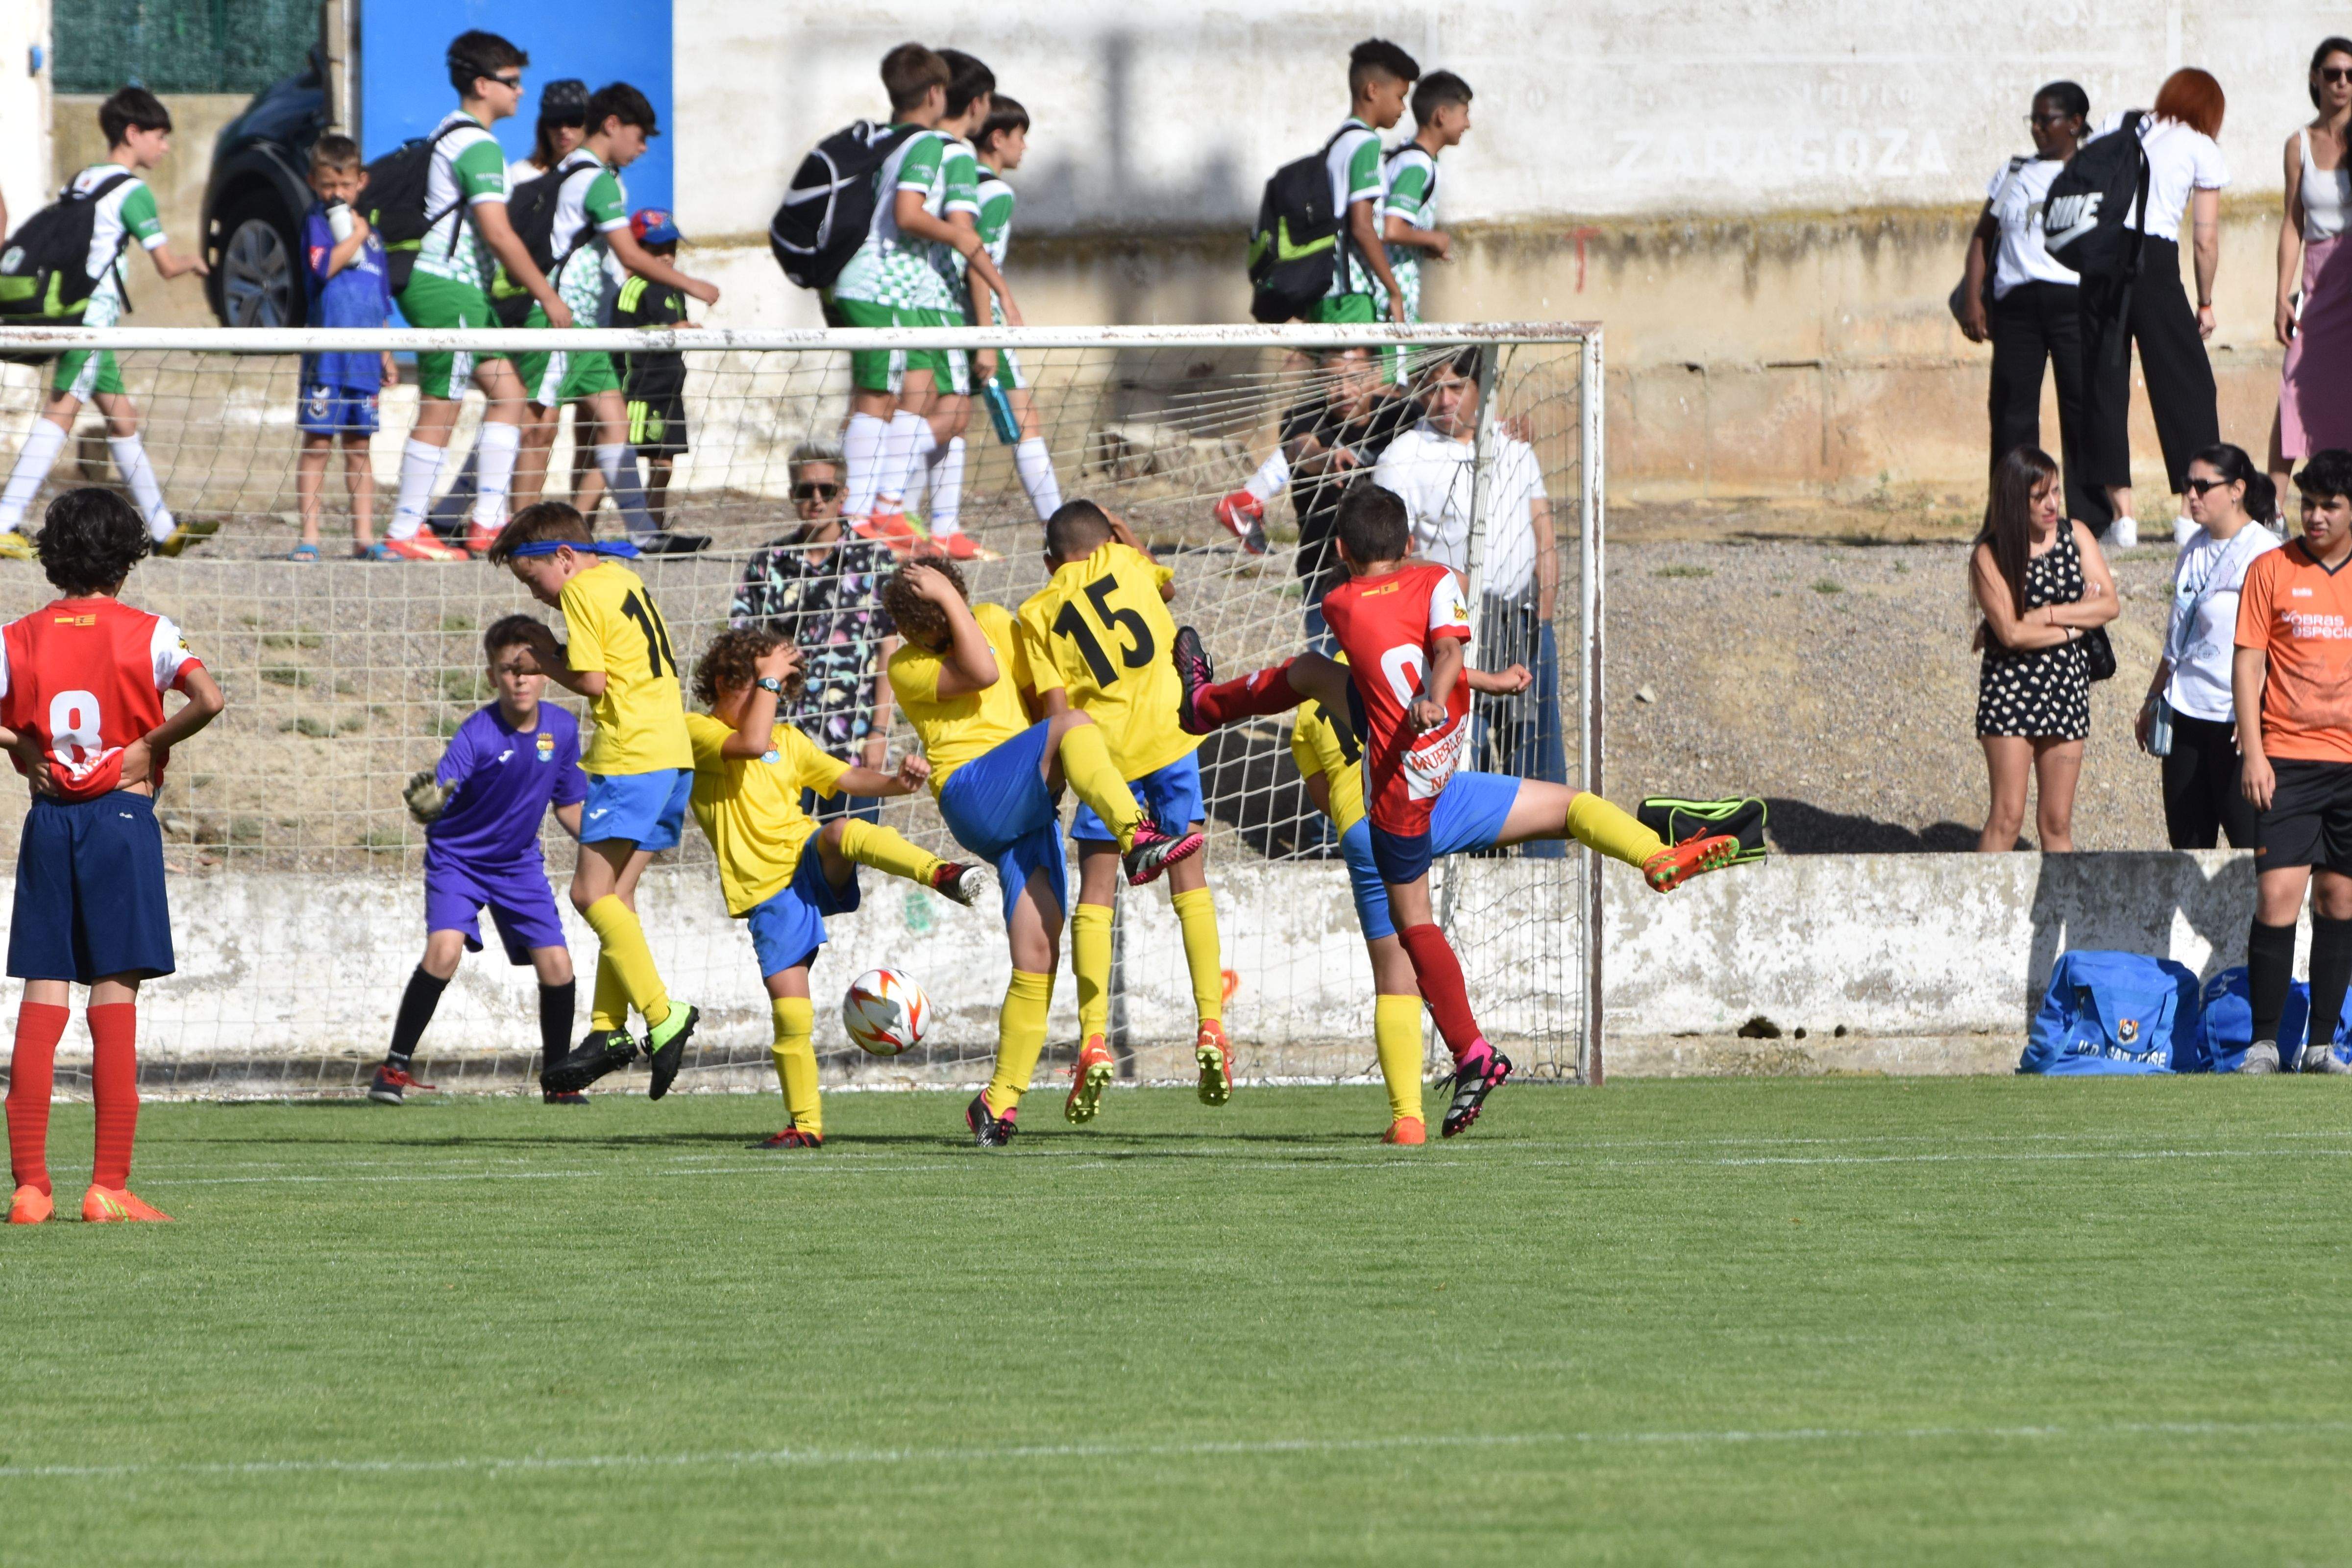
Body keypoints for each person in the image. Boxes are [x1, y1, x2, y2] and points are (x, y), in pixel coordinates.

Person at [1169, 485, 1740, 1137]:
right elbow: (1439, 652)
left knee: (1406, 938)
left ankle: (1443, 1081)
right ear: (1410, 544)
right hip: (1444, 780)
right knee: (1570, 806)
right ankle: (1655, 854)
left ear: (1340, 551)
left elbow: (1374, 688)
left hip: (1389, 809)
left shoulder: (1339, 604)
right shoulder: (1441, 580)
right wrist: (1472, 686)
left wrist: (1429, 700)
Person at [881, 560, 1200, 1146]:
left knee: (1038, 951)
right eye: (919, 625)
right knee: (1073, 723)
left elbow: (1037, 702)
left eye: (935, 618)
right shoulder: (905, 665)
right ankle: (1136, 837)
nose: (927, 633)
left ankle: (997, 1102)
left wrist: (1069, 764)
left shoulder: (995, 619)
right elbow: (980, 672)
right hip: (973, 791)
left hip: (1026, 797)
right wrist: (949, 598)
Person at [1286, 657, 1655, 1142]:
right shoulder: (1388, 659)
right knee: (1568, 805)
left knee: (1394, 976)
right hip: (1424, 799)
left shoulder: (1305, 713)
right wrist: (1496, 682)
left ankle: (1407, 1120)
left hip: (1360, 827)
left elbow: (1322, 798)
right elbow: (1445, 681)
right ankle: (1656, 854)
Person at [0, 489, 227, 1224]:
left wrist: (24, 745)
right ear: (128, 559)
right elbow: (209, 699)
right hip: (121, 820)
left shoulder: (16, 636)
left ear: (52, 557)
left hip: (49, 820)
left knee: (42, 994)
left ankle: (30, 1187)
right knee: (115, 994)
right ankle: (109, 1186)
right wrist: (147, 746)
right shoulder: (150, 631)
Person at [685, 628, 986, 1150]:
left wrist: (896, 784)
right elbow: (749, 742)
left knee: (840, 831)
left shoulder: (788, 740)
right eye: (757, 687)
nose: (767, 700)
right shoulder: (695, 730)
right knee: (791, 1010)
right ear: (721, 682)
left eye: (773, 689)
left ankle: (942, 873)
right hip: (769, 894)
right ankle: (805, 1125)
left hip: (807, 856)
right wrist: (770, 677)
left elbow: (845, 778)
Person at [1016, 500, 1232, 1122]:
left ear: (1049, 562)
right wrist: (1123, 530)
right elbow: (1170, 589)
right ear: (1107, 537)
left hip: (1106, 758)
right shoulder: (1129, 562)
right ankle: (1211, 1024)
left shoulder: (1036, 611)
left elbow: (1058, 710)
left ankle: (1092, 1037)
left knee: (1097, 891)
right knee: (1190, 877)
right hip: (1171, 736)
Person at [487, 503, 702, 1098]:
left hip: (631, 755)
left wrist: (543, 656)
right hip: (672, 753)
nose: (536, 594)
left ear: (563, 557)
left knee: (588, 894)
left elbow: (592, 680)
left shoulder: (580, 590)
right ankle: (608, 1028)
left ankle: (662, 1013)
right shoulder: (622, 578)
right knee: (617, 898)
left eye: (533, 579)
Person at [374, 616, 587, 1106]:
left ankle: (559, 1080)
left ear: (548, 673)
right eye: (510, 669)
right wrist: (431, 804)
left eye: (531, 669)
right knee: (444, 952)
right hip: (459, 860)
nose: (521, 679)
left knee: (558, 965)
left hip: (518, 865)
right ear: (493, 676)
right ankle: (394, 1068)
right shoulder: (478, 732)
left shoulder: (561, 728)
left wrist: (610, 843)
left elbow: (569, 804)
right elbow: (441, 791)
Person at [380, 31, 570, 562]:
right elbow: (498, 233)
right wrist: (548, 296)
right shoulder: (478, 145)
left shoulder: (448, 132)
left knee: (509, 394)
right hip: (447, 286)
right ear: (483, 85)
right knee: (442, 401)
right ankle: (405, 528)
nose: (521, 92)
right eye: (512, 82)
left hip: (457, 290)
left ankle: (488, 523)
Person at [0, 89, 214, 561]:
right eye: (159, 137)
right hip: (92, 319)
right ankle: (4, 519)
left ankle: (163, 530)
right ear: (133, 134)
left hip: (80, 314)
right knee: (61, 410)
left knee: (123, 419)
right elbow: (166, 265)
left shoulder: (84, 178)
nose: (165, 148)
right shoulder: (133, 192)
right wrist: (199, 263)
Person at [510, 82, 719, 554]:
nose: (642, 149)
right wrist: (692, 284)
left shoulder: (581, 172)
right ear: (612, 126)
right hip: (559, 321)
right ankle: (518, 535)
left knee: (613, 423)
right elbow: (630, 254)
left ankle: (636, 533)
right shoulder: (594, 178)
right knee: (539, 427)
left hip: (588, 328)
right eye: (640, 137)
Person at [829, 44, 1017, 552]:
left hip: (896, 289)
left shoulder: (892, 139)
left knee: (913, 393)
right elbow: (915, 217)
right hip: (889, 287)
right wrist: (986, 274)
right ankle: (861, 513)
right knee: (889, 400)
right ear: (946, 96)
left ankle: (889, 510)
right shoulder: (938, 148)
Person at [1372, 350, 1563, 816]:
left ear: (1483, 387)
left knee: (1535, 760)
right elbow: (1385, 559)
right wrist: (1446, 580)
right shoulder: (1403, 457)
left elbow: (1543, 529)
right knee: (1459, 761)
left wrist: (1544, 620)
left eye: (1456, 387)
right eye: (1432, 387)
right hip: (1450, 635)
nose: (1443, 399)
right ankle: (1466, 853)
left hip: (1523, 620)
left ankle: (1542, 855)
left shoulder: (1513, 445)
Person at [2232, 445, 2352, 1075]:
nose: (2316, 516)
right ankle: (2263, 1043)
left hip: (2349, 767)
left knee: (2340, 899)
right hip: (2286, 759)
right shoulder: (2270, 569)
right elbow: (2248, 663)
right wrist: (2254, 752)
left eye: (2330, 505)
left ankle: (2322, 1045)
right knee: (2278, 895)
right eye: (2308, 503)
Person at [2078, 69, 2230, 549]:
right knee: (2188, 383)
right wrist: (2205, 301)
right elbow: (2205, 240)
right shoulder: (2200, 146)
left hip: (2100, 258)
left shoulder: (2118, 123)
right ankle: (2191, 513)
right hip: (2155, 260)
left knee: (2104, 382)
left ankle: (2122, 517)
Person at [1959, 81, 2108, 532]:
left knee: (2082, 409)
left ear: (2075, 123)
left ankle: (2088, 520)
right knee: (2011, 413)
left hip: (2074, 302)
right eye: (2034, 120)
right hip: (2017, 306)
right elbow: (1983, 236)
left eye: (2047, 120)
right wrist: (1973, 297)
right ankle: (2010, 517)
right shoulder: (2015, 172)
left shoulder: (2094, 172)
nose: (2038, 128)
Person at [730, 441, 900, 824]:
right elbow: (740, 647)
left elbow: (888, 650)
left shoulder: (874, 559)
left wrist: (879, 731)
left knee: (853, 848)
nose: (817, 500)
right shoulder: (768, 563)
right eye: (807, 490)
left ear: (844, 494)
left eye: (828, 490)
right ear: (793, 494)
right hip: (783, 736)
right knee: (784, 849)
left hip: (853, 736)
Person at [1969, 446, 2117, 853]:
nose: (2052, 504)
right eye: (2039, 497)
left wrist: (2045, 614)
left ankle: (2060, 897)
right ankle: (1984, 897)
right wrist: (2074, 626)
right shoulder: (1990, 554)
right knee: (2007, 817)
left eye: (2056, 492)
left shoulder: (2076, 535)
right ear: (2015, 500)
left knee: (2057, 821)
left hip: (2067, 687)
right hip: (2011, 688)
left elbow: (2109, 605)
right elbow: (2011, 635)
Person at [2136, 444, 2280, 849]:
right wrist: (2153, 696)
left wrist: (2256, 712)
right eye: (2188, 485)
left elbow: (2276, 643)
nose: (2191, 495)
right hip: (2185, 710)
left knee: (2250, 849)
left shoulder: (2266, 552)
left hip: (2235, 720)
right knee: (2187, 849)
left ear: (2237, 490)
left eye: (2203, 486)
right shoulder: (2193, 548)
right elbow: (2178, 635)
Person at [890, 48, 996, 562]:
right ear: (977, 103)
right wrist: (989, 328)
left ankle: (929, 523)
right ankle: (881, 501)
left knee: (924, 411)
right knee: (952, 412)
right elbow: (968, 243)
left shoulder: (906, 144)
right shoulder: (955, 156)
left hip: (902, 296)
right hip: (936, 300)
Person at [292, 135, 399, 562]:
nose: (336, 194)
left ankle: (364, 538)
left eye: (345, 185)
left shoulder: (374, 240)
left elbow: (381, 302)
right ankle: (310, 537)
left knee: (359, 447)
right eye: (327, 185)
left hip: (365, 361)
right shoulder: (317, 223)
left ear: (361, 182)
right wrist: (355, 235)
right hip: (327, 359)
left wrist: (387, 354)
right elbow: (324, 268)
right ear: (313, 183)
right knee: (318, 443)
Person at [1281, 346, 1421, 647]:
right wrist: (1326, 457)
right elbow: (1300, 449)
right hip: (1328, 575)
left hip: (1394, 571)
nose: (1344, 391)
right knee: (1331, 665)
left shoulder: (1404, 416)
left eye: (1354, 379)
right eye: (1333, 381)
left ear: (1375, 376)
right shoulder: (1305, 415)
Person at [968, 96, 1064, 523]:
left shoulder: (958, 186)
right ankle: (1057, 527)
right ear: (997, 138)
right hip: (980, 321)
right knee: (1025, 422)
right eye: (1020, 137)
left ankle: (924, 527)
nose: (1024, 147)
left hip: (947, 319)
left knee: (943, 421)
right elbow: (976, 265)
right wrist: (988, 338)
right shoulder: (995, 193)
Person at [2272, 39, 2352, 495]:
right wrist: (2281, 295)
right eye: (2333, 73)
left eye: (2351, 75)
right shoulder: (2298, 144)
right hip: (2319, 277)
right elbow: (2292, 223)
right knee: (2293, 380)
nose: (2342, 82)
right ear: (2315, 78)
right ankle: (2272, 508)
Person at [1317, 39, 1419, 327]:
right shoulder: (1366, 143)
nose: (1403, 107)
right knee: (1361, 359)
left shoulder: (1339, 140)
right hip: (1351, 294)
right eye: (1400, 97)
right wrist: (1394, 291)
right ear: (1373, 91)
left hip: (1328, 291)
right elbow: (1362, 227)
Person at [612, 210, 692, 530]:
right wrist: (670, 331)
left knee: (665, 461)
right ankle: (631, 526)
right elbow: (621, 334)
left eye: (671, 248)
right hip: (641, 390)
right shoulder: (634, 288)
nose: (667, 257)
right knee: (626, 459)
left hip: (669, 389)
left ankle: (653, 524)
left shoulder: (675, 289)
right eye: (657, 250)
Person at [1377, 70, 1471, 331]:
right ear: (1442, 115)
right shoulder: (1416, 165)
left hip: (1398, 304)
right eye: (1465, 114)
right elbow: (1392, 229)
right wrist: (1434, 238)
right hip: (1388, 306)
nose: (1468, 124)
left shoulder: (1411, 158)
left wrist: (1423, 244)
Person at [508, 77, 588, 186]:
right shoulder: (519, 176)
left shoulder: (601, 176)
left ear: (588, 124)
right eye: (554, 121)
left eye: (574, 121)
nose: (563, 130)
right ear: (543, 127)